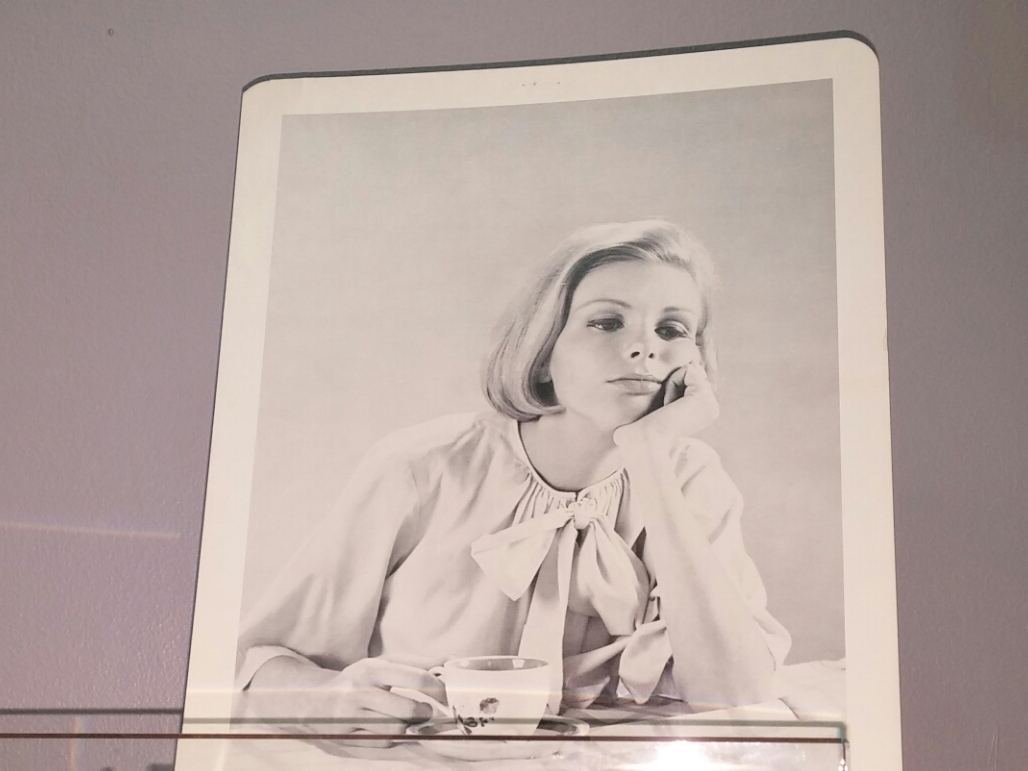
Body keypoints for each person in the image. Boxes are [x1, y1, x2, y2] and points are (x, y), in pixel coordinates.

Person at [235, 220, 792, 740]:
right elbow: (255, 662)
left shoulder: (691, 478)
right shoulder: (422, 467)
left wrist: (649, 457)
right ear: (544, 352)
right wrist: (329, 697)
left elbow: (734, 695)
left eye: (672, 329)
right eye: (606, 322)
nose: (645, 347)